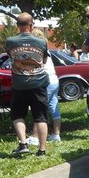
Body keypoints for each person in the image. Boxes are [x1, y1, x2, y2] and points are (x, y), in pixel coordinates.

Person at [5, 13, 49, 157]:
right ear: (31, 25)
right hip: (39, 83)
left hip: (19, 84)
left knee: (17, 115)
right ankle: (42, 150)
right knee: (41, 116)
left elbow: (11, 57)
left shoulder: (10, 41)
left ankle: (23, 143)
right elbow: (44, 61)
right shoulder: (41, 42)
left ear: (17, 25)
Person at [27, 28, 61, 146]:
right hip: (54, 80)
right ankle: (56, 135)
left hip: (44, 82)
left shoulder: (37, 50)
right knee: (53, 106)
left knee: (39, 108)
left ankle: (36, 137)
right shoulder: (47, 49)